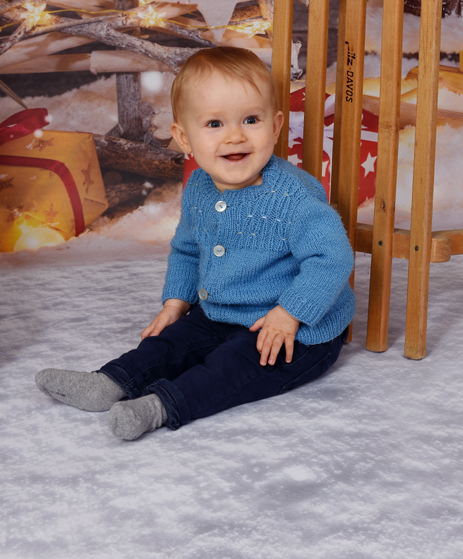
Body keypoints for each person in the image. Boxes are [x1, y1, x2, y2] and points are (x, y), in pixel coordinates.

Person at [35, 47, 355, 440]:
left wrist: (290, 313)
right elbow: (187, 249)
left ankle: (160, 406)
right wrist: (176, 303)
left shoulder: (292, 198)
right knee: (171, 343)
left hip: (296, 330)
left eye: (251, 120)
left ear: (274, 127)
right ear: (185, 138)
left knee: (234, 366)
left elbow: (332, 257)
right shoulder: (200, 187)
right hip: (219, 310)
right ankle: (112, 381)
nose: (235, 135)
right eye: (214, 123)